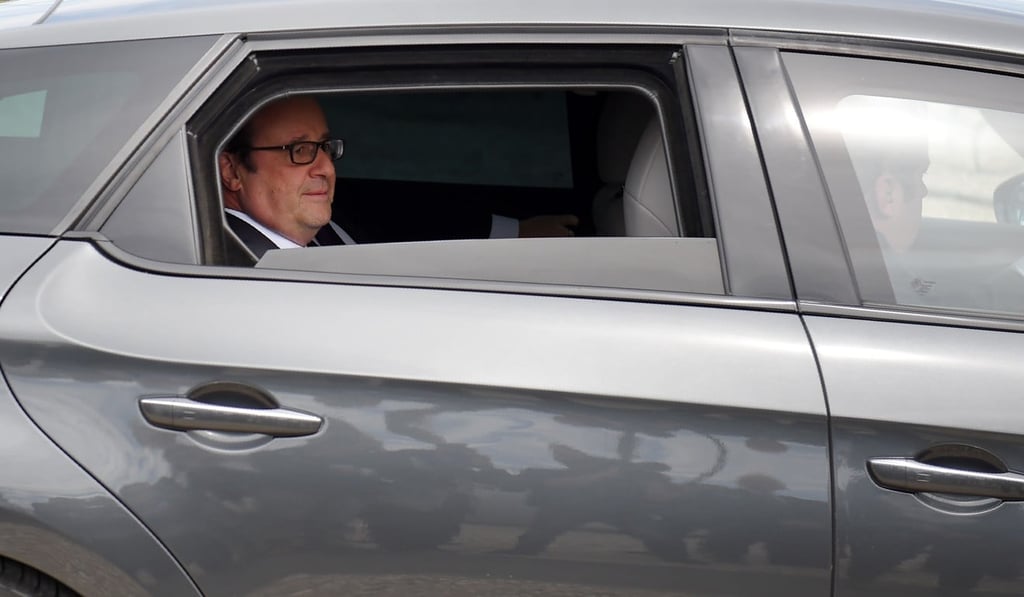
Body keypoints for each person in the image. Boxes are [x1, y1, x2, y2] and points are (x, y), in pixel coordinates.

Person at [219, 95, 579, 257]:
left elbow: (396, 215)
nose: (326, 167)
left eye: (325, 147)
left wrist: (514, 234)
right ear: (232, 171)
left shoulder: (312, 229)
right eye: (299, 151)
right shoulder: (251, 275)